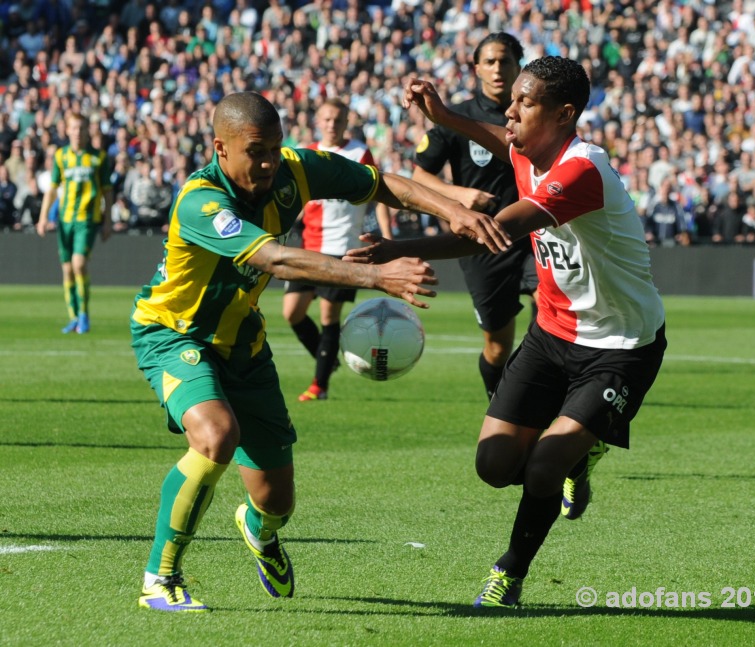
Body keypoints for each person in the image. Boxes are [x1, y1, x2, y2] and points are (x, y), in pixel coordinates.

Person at [131, 91, 509, 613]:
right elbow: (277, 260)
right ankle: (161, 577)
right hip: (175, 335)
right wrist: (377, 276)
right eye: (255, 151)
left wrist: (452, 210)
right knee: (216, 435)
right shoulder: (202, 201)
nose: (267, 162)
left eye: (274, 149)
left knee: (275, 501)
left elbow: (381, 184)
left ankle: (259, 532)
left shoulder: (293, 169)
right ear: (220, 148)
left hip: (246, 344)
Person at [348, 57, 666, 609]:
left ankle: (509, 573)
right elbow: (501, 139)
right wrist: (445, 116)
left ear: (565, 115)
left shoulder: (581, 170)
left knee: (545, 465)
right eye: (512, 101)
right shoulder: (528, 152)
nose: (510, 111)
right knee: (494, 467)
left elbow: (488, 235)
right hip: (550, 334)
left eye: (525, 103)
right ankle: (576, 452)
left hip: (618, 347)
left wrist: (398, 250)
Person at [410, 32, 539, 400]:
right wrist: (459, 194)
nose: (498, 69)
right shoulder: (458, 118)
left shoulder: (532, 113)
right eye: (491, 61)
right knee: (498, 346)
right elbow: (420, 173)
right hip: (484, 240)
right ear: (477, 67)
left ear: (519, 67)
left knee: (548, 301)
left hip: (533, 233)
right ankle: (497, 402)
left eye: (506, 62)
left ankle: (540, 380)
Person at [282, 98, 393, 402]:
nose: (332, 125)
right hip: (309, 245)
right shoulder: (307, 153)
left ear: (346, 122)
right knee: (292, 312)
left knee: (329, 315)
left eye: (338, 120)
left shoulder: (359, 152)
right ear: (318, 121)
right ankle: (327, 359)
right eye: (327, 119)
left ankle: (320, 386)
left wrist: (387, 235)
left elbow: (379, 195)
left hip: (343, 247)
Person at [36, 112, 112, 334]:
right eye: (74, 128)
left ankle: (84, 315)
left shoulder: (99, 157)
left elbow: (108, 192)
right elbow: (51, 189)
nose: (78, 132)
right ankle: (73, 317)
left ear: (88, 131)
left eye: (82, 128)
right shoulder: (61, 156)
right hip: (65, 220)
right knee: (67, 270)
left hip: (87, 220)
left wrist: (108, 221)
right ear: (67, 130)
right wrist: (42, 217)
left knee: (79, 264)